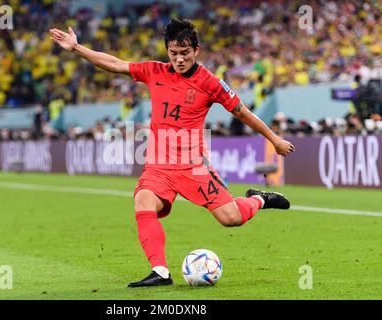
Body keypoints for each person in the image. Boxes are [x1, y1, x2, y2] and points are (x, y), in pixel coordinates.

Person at [50, 18, 295, 287]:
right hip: (159, 165)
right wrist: (77, 48)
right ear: (167, 50)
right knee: (143, 201)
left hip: (193, 165)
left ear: (196, 50)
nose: (179, 59)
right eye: (174, 53)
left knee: (231, 219)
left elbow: (243, 113)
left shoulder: (210, 83)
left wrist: (274, 139)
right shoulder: (154, 71)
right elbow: (116, 64)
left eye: (185, 53)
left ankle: (259, 199)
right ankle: (161, 272)